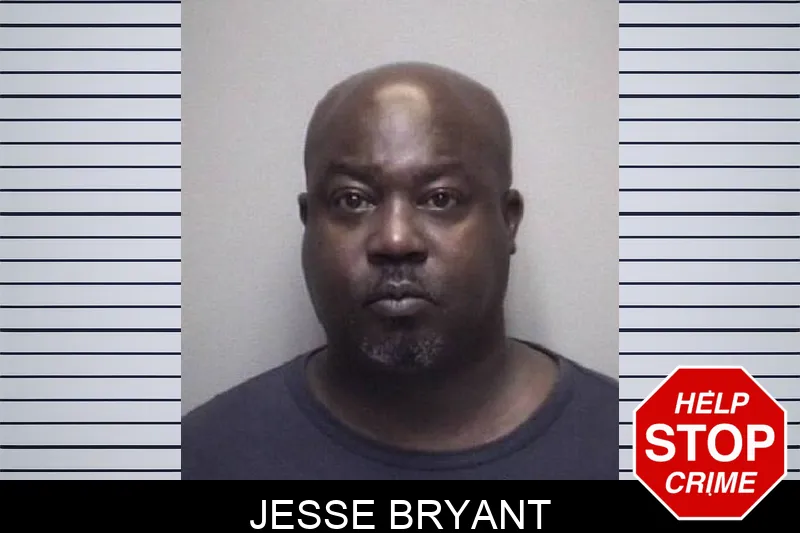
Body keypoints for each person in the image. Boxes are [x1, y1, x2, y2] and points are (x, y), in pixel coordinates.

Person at [182, 61, 618, 480]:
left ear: (508, 221)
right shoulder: (203, 459)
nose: (395, 240)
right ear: (308, 221)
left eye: (441, 198)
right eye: (352, 200)